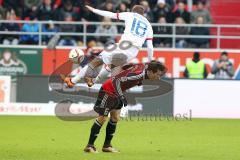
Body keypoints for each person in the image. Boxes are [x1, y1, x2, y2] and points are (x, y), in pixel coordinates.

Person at [84, 60, 167, 153]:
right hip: (108, 90)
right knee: (102, 118)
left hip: (117, 92)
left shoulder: (142, 67)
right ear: (151, 71)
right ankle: (90, 146)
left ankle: (107, 146)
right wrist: (122, 96)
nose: (159, 78)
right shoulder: (139, 74)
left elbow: (126, 66)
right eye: (158, 74)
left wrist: (122, 74)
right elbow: (116, 81)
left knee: (115, 118)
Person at [62, 5, 154, 88]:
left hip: (123, 45)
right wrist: (150, 62)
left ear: (133, 11)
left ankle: (72, 81)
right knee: (110, 67)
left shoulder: (130, 15)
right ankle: (93, 81)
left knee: (97, 62)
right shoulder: (149, 26)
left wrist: (94, 10)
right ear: (143, 14)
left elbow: (111, 15)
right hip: (133, 52)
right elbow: (150, 47)